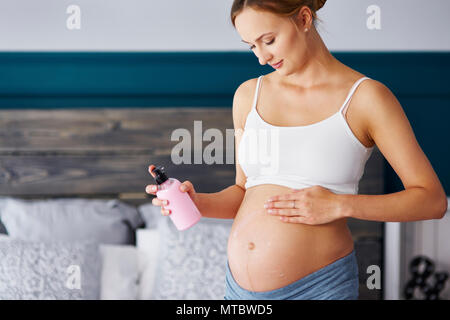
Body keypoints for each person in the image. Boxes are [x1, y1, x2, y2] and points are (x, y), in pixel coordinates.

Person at [146, 0, 447, 300]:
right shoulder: (248, 95)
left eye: (269, 40)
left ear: (304, 18)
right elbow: (244, 191)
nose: (262, 58)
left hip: (320, 289)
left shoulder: (366, 98)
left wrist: (340, 205)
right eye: (252, 46)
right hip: (239, 293)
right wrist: (198, 202)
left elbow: (432, 201)